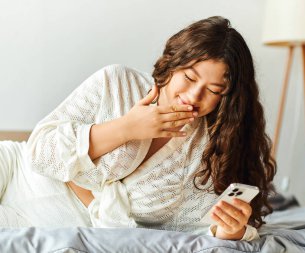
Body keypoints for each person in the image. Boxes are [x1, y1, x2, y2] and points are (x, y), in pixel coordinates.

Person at [0, 16, 276, 241]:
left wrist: (231, 231)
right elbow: (39, 152)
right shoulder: (116, 82)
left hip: (61, 228)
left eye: (213, 90)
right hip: (16, 175)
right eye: (189, 77)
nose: (193, 96)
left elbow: (196, 232)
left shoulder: (210, 149)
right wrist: (126, 128)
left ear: (226, 98)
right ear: (173, 63)